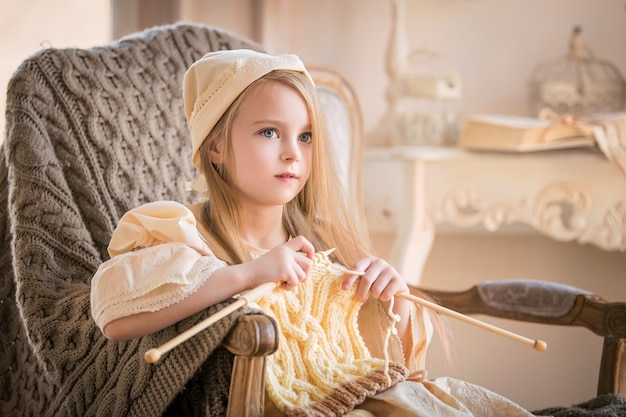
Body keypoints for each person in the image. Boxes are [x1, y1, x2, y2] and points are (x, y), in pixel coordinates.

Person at [90, 49, 537, 416]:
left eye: (305, 137)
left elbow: (395, 369)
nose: (293, 154)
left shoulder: (322, 244)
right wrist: (249, 273)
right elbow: (115, 314)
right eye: (270, 132)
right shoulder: (184, 233)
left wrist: (394, 296)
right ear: (216, 148)